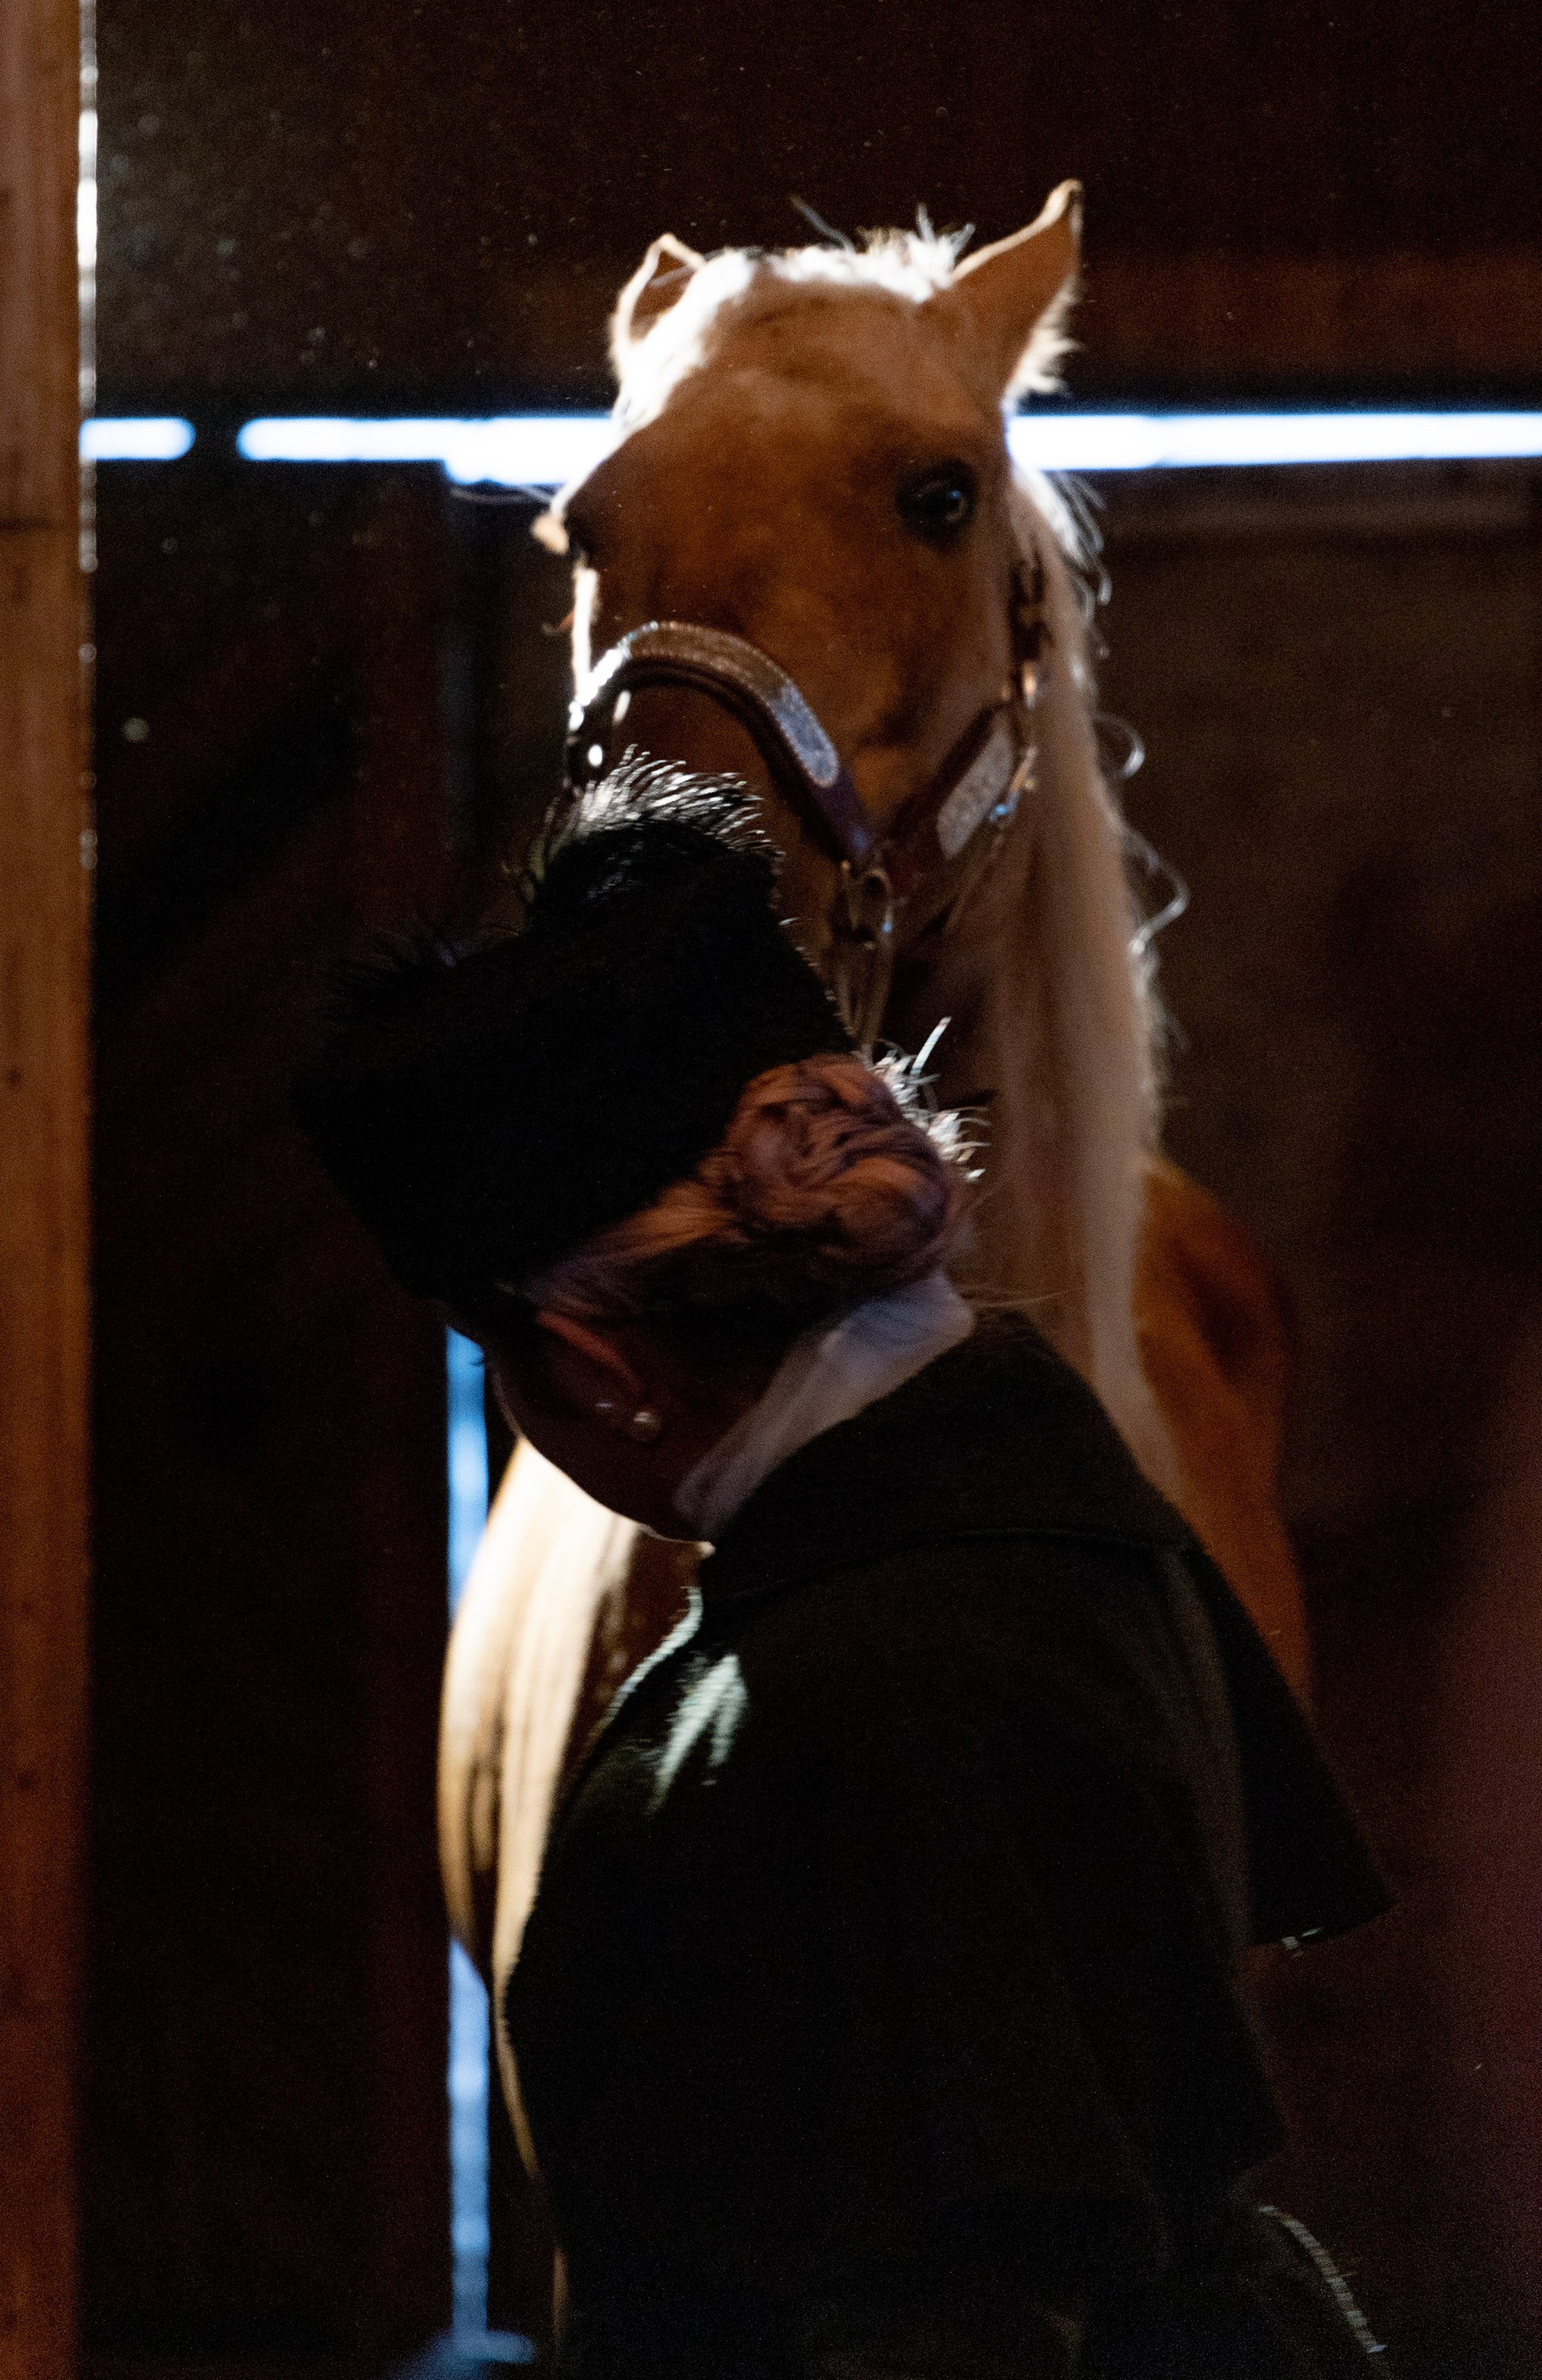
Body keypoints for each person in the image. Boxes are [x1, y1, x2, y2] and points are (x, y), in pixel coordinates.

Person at [294, 763, 1390, 2380]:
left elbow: (955, 2312)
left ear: (593, 1367)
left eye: (501, 1369)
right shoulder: (1048, 1506)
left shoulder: (884, 1677)